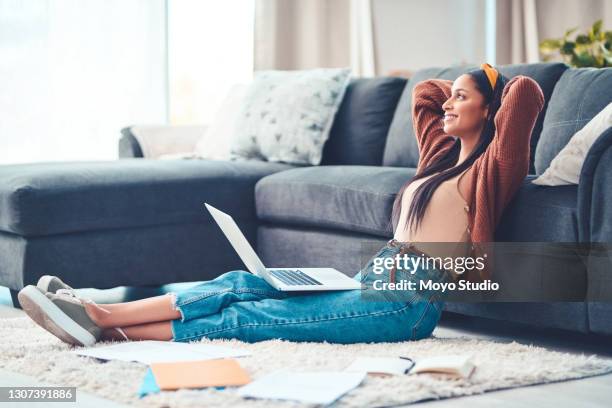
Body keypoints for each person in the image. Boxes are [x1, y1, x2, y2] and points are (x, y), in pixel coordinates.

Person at [17, 63, 544, 347]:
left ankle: (96, 321)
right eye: (451, 95)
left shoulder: (489, 172)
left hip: (406, 305)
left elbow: (524, 96)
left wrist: (492, 86)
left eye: (462, 97)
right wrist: (463, 90)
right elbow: (424, 96)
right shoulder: (438, 160)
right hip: (372, 279)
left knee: (253, 316)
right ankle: (94, 308)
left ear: (490, 111)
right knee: (242, 282)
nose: (446, 103)